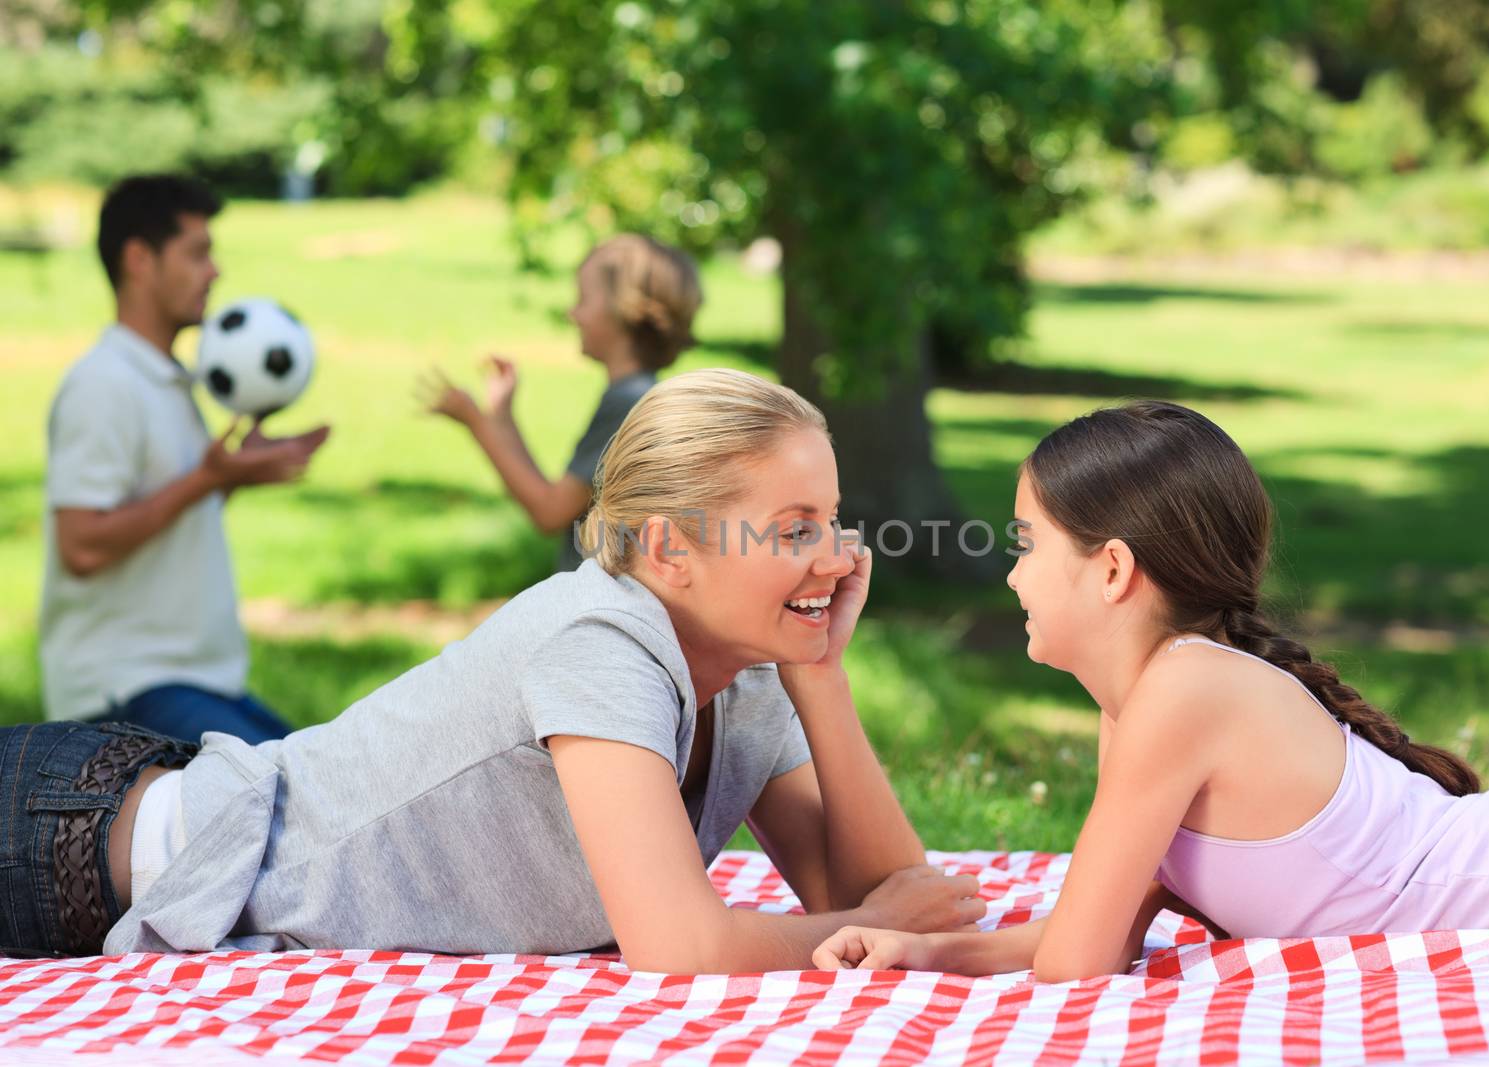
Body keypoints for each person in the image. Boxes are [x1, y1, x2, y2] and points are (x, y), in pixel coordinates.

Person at [1, 369, 982, 967]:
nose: (839, 552)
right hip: (80, 848)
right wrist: (868, 920)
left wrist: (823, 671)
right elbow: (684, 947)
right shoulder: (601, 640)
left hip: (108, 830)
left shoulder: (752, 673)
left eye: (834, 516)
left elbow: (888, 891)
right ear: (672, 549)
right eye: (795, 528)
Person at [813, 400, 1489, 983]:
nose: (1011, 574)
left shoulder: (1184, 691)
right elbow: (1101, 933)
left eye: (1026, 543)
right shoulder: (1151, 700)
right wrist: (921, 951)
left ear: (1111, 569)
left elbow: (1072, 962)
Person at [38, 174, 329, 745]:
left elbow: (160, 507)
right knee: (295, 800)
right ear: (140, 259)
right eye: (198, 253)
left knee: (326, 773)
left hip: (192, 680)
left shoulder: (166, 380)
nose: (215, 271)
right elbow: (82, 545)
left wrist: (235, 474)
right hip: (124, 689)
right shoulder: (104, 384)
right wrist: (205, 480)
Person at [418, 234, 701, 572]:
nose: (573, 313)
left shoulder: (627, 406)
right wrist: (501, 417)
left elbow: (549, 511)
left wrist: (477, 422)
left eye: (583, 298)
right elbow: (553, 495)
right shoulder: (636, 395)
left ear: (624, 308)